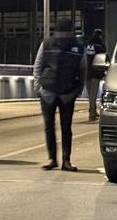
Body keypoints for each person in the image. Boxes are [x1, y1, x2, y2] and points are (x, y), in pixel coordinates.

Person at [33, 19, 86, 171]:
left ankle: (64, 160)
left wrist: (76, 90)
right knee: (51, 126)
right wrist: (39, 88)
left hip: (67, 93)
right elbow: (38, 65)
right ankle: (54, 159)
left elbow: (82, 70)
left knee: (64, 127)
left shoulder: (76, 46)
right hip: (50, 91)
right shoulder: (48, 44)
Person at [84, 28, 107, 121]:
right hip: (95, 72)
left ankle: (92, 111)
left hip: (86, 73)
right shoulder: (100, 47)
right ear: (100, 35)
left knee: (90, 95)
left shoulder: (86, 45)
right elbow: (103, 59)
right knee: (93, 95)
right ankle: (92, 114)